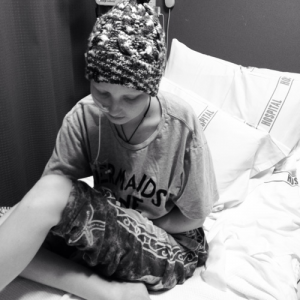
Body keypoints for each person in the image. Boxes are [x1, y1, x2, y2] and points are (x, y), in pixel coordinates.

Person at [0, 0, 219, 299]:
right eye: (102, 92)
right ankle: (104, 291)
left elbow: (196, 216)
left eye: (131, 98)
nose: (114, 108)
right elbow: (48, 201)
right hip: (113, 231)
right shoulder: (85, 116)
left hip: (175, 244)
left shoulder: (181, 126)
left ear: (152, 88)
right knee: (14, 224)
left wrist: (142, 221)